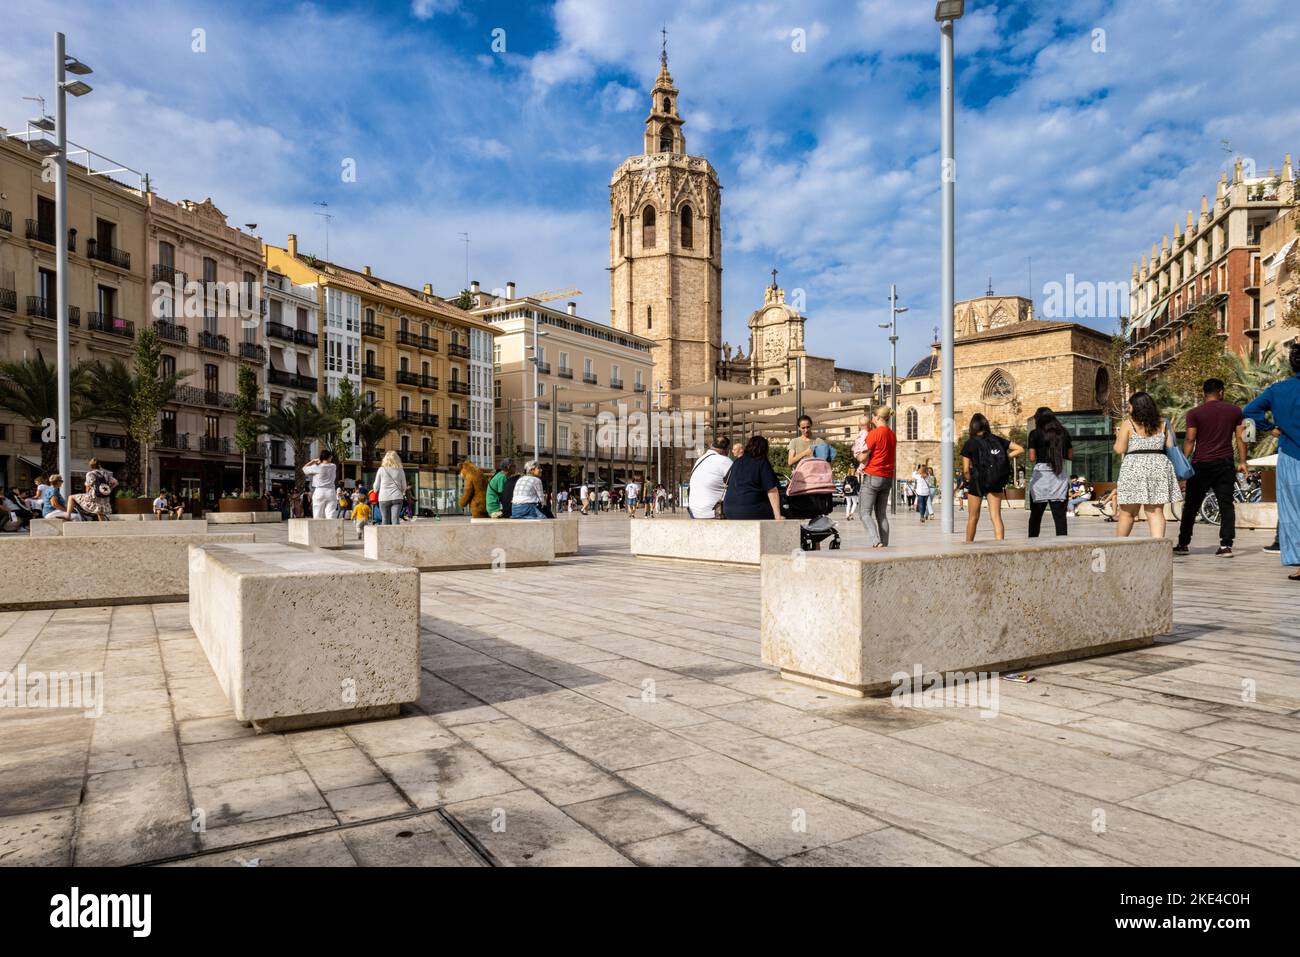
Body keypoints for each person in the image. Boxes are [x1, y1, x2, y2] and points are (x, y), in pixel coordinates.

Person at [1244, 340, 1300, 579]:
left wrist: (1271, 427)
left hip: (1290, 454)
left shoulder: (1278, 390)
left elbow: (1249, 410)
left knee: (1292, 511)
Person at [1175, 378, 1246, 557]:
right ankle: (1226, 546)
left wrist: (1184, 463)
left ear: (1203, 393)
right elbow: (1240, 438)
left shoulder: (1194, 413)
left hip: (1201, 464)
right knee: (1226, 505)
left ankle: (1183, 543)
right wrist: (1243, 461)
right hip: (1225, 464)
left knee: (1191, 505)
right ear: (1221, 392)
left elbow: (1190, 439)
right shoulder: (1235, 411)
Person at [1114, 391, 1182, 540]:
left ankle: (1118, 545)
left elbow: (1119, 449)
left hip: (1134, 468)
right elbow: (1171, 445)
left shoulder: (1128, 423)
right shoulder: (1164, 424)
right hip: (1158, 466)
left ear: (1136, 407)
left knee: (1128, 512)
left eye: (1130, 406)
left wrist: (1118, 435)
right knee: (1155, 511)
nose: (1128, 409)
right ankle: (1157, 547)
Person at [961, 413, 1023, 542]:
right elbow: (1020, 449)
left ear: (972, 427)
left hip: (977, 481)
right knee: (996, 516)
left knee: (973, 517)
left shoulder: (970, 443)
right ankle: (1000, 544)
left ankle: (969, 544)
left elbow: (966, 469)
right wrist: (1006, 458)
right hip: (995, 480)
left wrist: (968, 480)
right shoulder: (997, 439)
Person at [1026, 407, 1073, 538]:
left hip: (1041, 477)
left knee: (1036, 515)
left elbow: (1031, 457)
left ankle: (1032, 542)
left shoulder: (1034, 434)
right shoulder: (1063, 433)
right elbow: (1070, 455)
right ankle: (1062, 543)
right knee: (1059, 516)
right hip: (1058, 475)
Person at [856, 406, 896, 548]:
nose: (872, 419)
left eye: (873, 416)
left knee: (864, 513)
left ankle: (876, 541)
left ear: (878, 417)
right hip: (887, 477)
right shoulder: (892, 435)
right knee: (882, 515)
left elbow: (862, 457)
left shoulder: (874, 434)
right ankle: (884, 544)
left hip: (873, 475)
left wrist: (855, 453)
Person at [721, 435, 783, 520]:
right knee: (785, 510)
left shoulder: (737, 461)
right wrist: (778, 516)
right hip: (751, 510)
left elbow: (726, 481)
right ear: (764, 449)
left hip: (729, 510)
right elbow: (772, 490)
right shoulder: (762, 461)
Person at [688, 435, 734, 519]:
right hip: (714, 513)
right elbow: (739, 484)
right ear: (727, 450)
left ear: (712, 445)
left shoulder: (700, 460)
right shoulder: (725, 461)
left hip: (694, 512)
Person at [372, 450, 408, 526]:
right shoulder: (400, 470)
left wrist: (376, 490)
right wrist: (400, 491)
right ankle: (396, 537)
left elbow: (375, 487)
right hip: (397, 497)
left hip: (384, 498)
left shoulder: (381, 470)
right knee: (395, 520)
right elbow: (404, 486)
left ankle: (384, 537)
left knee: (385, 520)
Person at [301, 450, 338, 518]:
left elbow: (304, 469)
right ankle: (331, 528)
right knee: (331, 514)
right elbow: (325, 464)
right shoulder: (333, 466)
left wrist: (313, 461)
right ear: (329, 457)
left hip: (319, 491)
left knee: (317, 513)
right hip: (331, 491)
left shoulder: (317, 467)